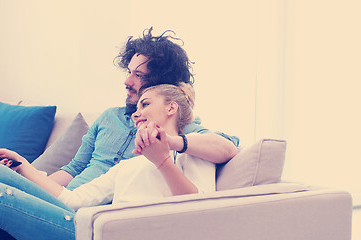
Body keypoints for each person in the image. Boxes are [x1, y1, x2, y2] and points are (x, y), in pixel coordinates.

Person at [0, 83, 221, 240]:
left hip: (103, 233)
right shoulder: (128, 164)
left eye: (146, 104)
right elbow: (73, 199)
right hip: (84, 220)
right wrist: (24, 166)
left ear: (171, 109)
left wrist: (163, 160)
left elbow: (197, 212)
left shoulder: (193, 151)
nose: (136, 112)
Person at [48, 27, 239, 190]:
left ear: (161, 82)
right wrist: (33, 185)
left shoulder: (178, 127)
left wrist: (170, 142)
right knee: (18, 186)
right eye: (129, 72)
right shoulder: (108, 117)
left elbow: (228, 147)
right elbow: (74, 169)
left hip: (95, 215)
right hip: (67, 199)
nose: (127, 81)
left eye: (138, 75)